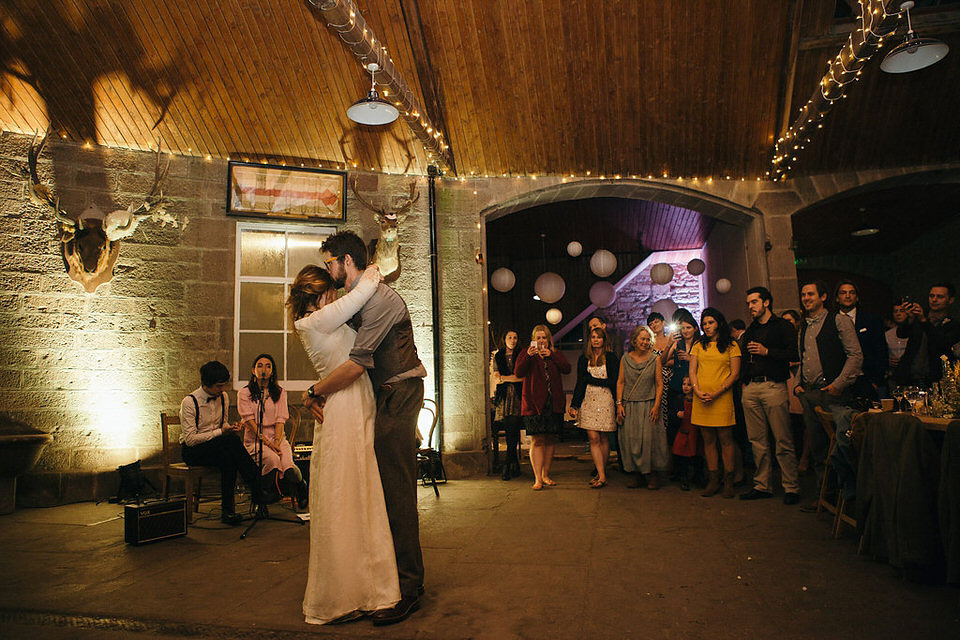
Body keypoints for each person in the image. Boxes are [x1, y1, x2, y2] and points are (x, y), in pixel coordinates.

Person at [304, 230, 427, 626]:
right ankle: (378, 582)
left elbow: (357, 363)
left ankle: (409, 588)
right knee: (378, 490)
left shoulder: (382, 301)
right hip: (381, 397)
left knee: (396, 487)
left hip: (400, 392)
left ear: (345, 261)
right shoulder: (356, 297)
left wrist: (315, 391)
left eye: (329, 263)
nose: (328, 271)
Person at [290, 263, 399, 625]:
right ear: (320, 293)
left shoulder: (324, 319)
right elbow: (366, 286)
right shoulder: (313, 321)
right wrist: (361, 265)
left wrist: (312, 393)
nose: (336, 296)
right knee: (346, 496)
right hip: (345, 407)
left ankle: (366, 588)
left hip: (355, 402)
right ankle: (344, 594)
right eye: (331, 291)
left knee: (361, 493)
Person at [795, 280, 862, 513]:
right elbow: (802, 357)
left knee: (839, 448)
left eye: (810, 294)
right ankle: (824, 497)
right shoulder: (804, 325)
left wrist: (838, 384)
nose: (806, 298)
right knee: (818, 448)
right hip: (811, 394)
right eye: (803, 295)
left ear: (823, 297)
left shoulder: (838, 320)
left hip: (833, 394)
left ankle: (847, 499)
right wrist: (798, 385)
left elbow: (855, 355)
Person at [179, 360, 263, 525]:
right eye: (218, 386)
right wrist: (221, 432)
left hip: (218, 446)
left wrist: (230, 427)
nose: (222, 390)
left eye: (223, 385)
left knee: (229, 459)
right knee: (230, 442)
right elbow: (190, 440)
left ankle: (228, 512)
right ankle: (256, 485)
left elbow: (222, 423)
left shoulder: (223, 397)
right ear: (206, 384)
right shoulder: (189, 402)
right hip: (193, 450)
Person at [738, 287, 801, 505]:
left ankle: (791, 486)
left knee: (782, 439)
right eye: (748, 303)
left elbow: (793, 354)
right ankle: (762, 485)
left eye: (754, 302)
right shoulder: (751, 330)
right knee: (757, 441)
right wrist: (745, 382)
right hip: (751, 388)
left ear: (766, 302)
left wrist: (767, 352)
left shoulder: (783, 326)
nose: (750, 307)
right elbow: (744, 357)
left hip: (773, 386)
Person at [238, 353, 307, 510]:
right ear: (253, 370)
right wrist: (268, 443)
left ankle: (301, 485)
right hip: (255, 440)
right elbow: (249, 422)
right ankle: (264, 497)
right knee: (272, 460)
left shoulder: (280, 392)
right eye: (260, 365)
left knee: (288, 466)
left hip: (277, 438)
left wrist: (276, 442)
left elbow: (280, 419)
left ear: (273, 371)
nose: (264, 369)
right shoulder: (244, 393)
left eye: (268, 366)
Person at [688, 308, 742, 498]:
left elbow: (734, 374)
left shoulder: (731, 345)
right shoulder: (698, 344)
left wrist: (717, 392)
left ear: (718, 322)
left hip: (722, 397)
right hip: (701, 397)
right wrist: (697, 389)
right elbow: (692, 370)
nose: (707, 327)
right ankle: (713, 479)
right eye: (704, 324)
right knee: (708, 440)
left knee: (726, 439)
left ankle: (729, 479)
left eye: (710, 322)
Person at [515, 324, 571, 491]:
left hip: (553, 403)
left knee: (550, 439)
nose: (541, 341)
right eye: (538, 338)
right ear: (534, 339)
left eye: (544, 337)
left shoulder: (555, 353)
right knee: (537, 440)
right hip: (533, 404)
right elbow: (519, 372)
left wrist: (552, 356)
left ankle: (546, 474)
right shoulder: (527, 353)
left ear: (548, 339)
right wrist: (528, 357)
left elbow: (567, 368)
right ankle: (537, 477)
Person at [616, 325, 667, 490]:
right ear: (634, 340)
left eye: (648, 339)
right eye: (642, 339)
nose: (645, 342)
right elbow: (621, 382)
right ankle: (637, 474)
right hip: (630, 405)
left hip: (648, 404)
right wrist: (619, 404)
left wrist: (657, 405)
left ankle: (652, 475)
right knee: (632, 440)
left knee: (649, 441)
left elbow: (659, 384)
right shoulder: (625, 359)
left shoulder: (655, 359)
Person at [569, 327, 619, 488]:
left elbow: (613, 381)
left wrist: (591, 379)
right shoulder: (584, 359)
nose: (596, 340)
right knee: (593, 438)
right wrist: (574, 404)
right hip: (588, 400)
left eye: (599, 337)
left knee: (604, 438)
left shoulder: (611, 358)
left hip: (606, 399)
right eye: (593, 337)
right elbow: (580, 382)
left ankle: (601, 472)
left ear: (604, 340)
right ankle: (602, 475)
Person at [663, 311, 700, 489]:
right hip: (676, 388)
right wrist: (669, 344)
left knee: (693, 431)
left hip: (694, 390)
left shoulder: (700, 344)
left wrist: (691, 358)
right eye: (682, 328)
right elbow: (663, 361)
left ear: (695, 328)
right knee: (675, 431)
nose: (685, 331)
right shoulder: (677, 343)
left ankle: (696, 473)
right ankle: (679, 471)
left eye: (688, 327)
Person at [895, 284, 960, 385]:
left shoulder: (953, 324)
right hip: (908, 377)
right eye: (931, 296)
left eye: (940, 297)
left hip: (935, 379)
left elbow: (941, 343)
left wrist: (924, 321)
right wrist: (910, 319)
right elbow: (901, 334)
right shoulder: (919, 316)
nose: (934, 300)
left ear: (950, 300)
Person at [835, 280, 888, 399]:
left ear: (857, 297)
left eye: (852, 293)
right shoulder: (830, 322)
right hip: (838, 382)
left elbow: (881, 350)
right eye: (843, 293)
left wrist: (875, 381)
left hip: (866, 379)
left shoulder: (871, 320)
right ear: (837, 298)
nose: (848, 296)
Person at [491, 330, 524, 481]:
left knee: (513, 427)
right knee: (511, 429)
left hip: (518, 396)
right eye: (509, 337)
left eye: (515, 337)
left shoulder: (522, 353)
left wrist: (507, 378)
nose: (513, 340)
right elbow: (497, 377)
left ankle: (507, 465)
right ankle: (514, 463)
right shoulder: (498, 356)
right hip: (504, 396)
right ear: (504, 339)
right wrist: (509, 378)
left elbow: (522, 377)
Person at [670, 376, 699, 491]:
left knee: (697, 454)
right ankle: (682, 477)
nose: (686, 387)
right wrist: (677, 415)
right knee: (680, 456)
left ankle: (698, 476)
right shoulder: (679, 399)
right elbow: (672, 413)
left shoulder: (697, 401)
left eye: (689, 384)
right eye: (684, 384)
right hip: (682, 431)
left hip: (694, 431)